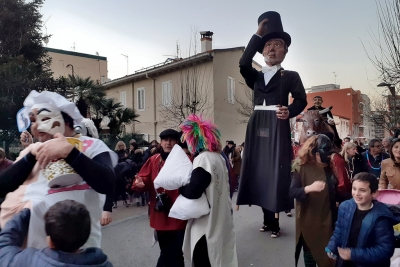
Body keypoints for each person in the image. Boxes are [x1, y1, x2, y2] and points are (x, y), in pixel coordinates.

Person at [0, 90, 117, 249]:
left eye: (45, 118)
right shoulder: (34, 150)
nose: (36, 125)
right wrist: (30, 158)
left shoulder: (91, 146)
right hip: (36, 252)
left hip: (82, 250)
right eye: (32, 120)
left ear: (66, 119)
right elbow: (3, 186)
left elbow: (107, 182)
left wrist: (70, 153)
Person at [236, 11, 307, 238]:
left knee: (275, 171)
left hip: (277, 123)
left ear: (285, 51)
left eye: (277, 45)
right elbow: (243, 62)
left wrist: (290, 111)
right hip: (257, 123)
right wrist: (257, 35)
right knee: (258, 170)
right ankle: (266, 220)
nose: (271, 49)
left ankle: (275, 222)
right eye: (267, 45)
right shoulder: (255, 77)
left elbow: (301, 100)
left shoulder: (291, 75)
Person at [179, 114, 238, 267]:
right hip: (221, 217)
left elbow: (194, 190)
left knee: (205, 259)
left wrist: (181, 187)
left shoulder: (203, 159)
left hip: (206, 223)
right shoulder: (218, 157)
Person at [0, 200, 112, 267]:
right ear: (87, 236)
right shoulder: (103, 263)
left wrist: (24, 214)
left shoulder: (31, 261)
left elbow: (4, 249)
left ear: (50, 241)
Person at [133, 129, 186, 267]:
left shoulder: (186, 160)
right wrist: (140, 183)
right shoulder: (154, 160)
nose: (168, 143)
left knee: (175, 253)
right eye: (165, 140)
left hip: (179, 214)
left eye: (172, 140)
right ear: (161, 142)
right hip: (161, 214)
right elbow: (143, 179)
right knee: (167, 252)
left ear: (177, 142)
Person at [326, 172, 400, 267]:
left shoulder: (381, 218)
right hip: (346, 262)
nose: (356, 194)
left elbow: (384, 250)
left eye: (362, 190)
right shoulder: (345, 207)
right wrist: (332, 246)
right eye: (354, 189)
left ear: (374, 193)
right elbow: (340, 229)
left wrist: (353, 254)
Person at [289, 135, 337, 267]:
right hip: (309, 222)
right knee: (310, 256)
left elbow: (336, 190)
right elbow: (291, 192)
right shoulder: (301, 168)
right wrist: (309, 189)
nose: (328, 156)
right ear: (314, 153)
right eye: (325, 153)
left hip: (328, 221)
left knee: (328, 259)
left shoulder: (329, 167)